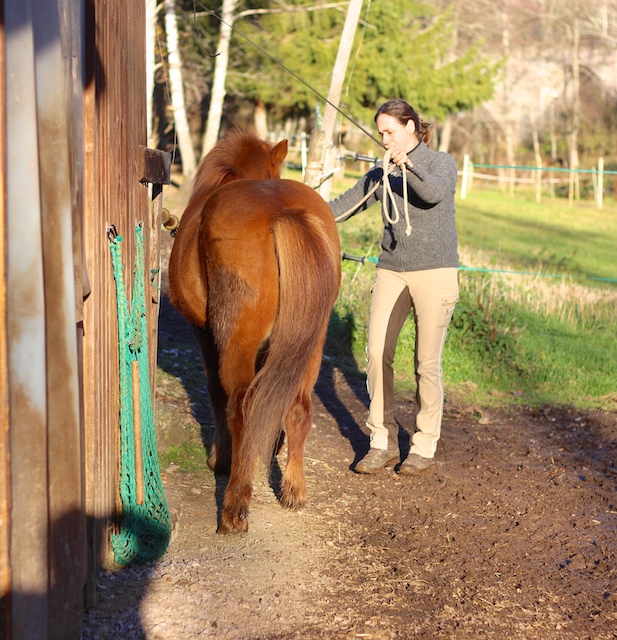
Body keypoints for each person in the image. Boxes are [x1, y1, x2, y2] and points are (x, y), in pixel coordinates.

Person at [329, 99, 459, 475]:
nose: (384, 139)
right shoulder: (380, 173)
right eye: (381, 133)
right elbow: (341, 207)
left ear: (411, 127)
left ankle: (423, 444)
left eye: (390, 131)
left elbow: (433, 193)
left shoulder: (440, 163)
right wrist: (297, 206)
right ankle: (381, 441)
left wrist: (408, 164)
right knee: (376, 354)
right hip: (392, 271)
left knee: (425, 362)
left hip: (435, 272)